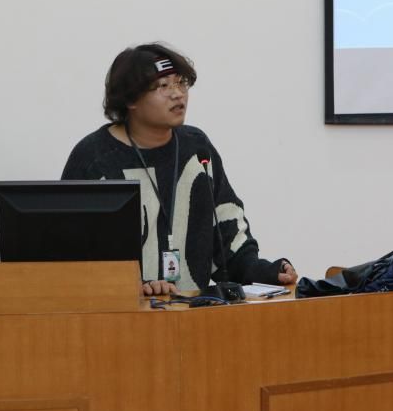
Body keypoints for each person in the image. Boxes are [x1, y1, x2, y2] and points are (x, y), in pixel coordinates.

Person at [61, 43, 298, 295]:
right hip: (121, 312)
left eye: (181, 83)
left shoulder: (197, 149)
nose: (177, 94)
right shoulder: (94, 159)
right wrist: (135, 287)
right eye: (163, 86)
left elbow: (227, 238)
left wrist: (263, 271)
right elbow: (68, 256)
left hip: (193, 310)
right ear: (130, 99)